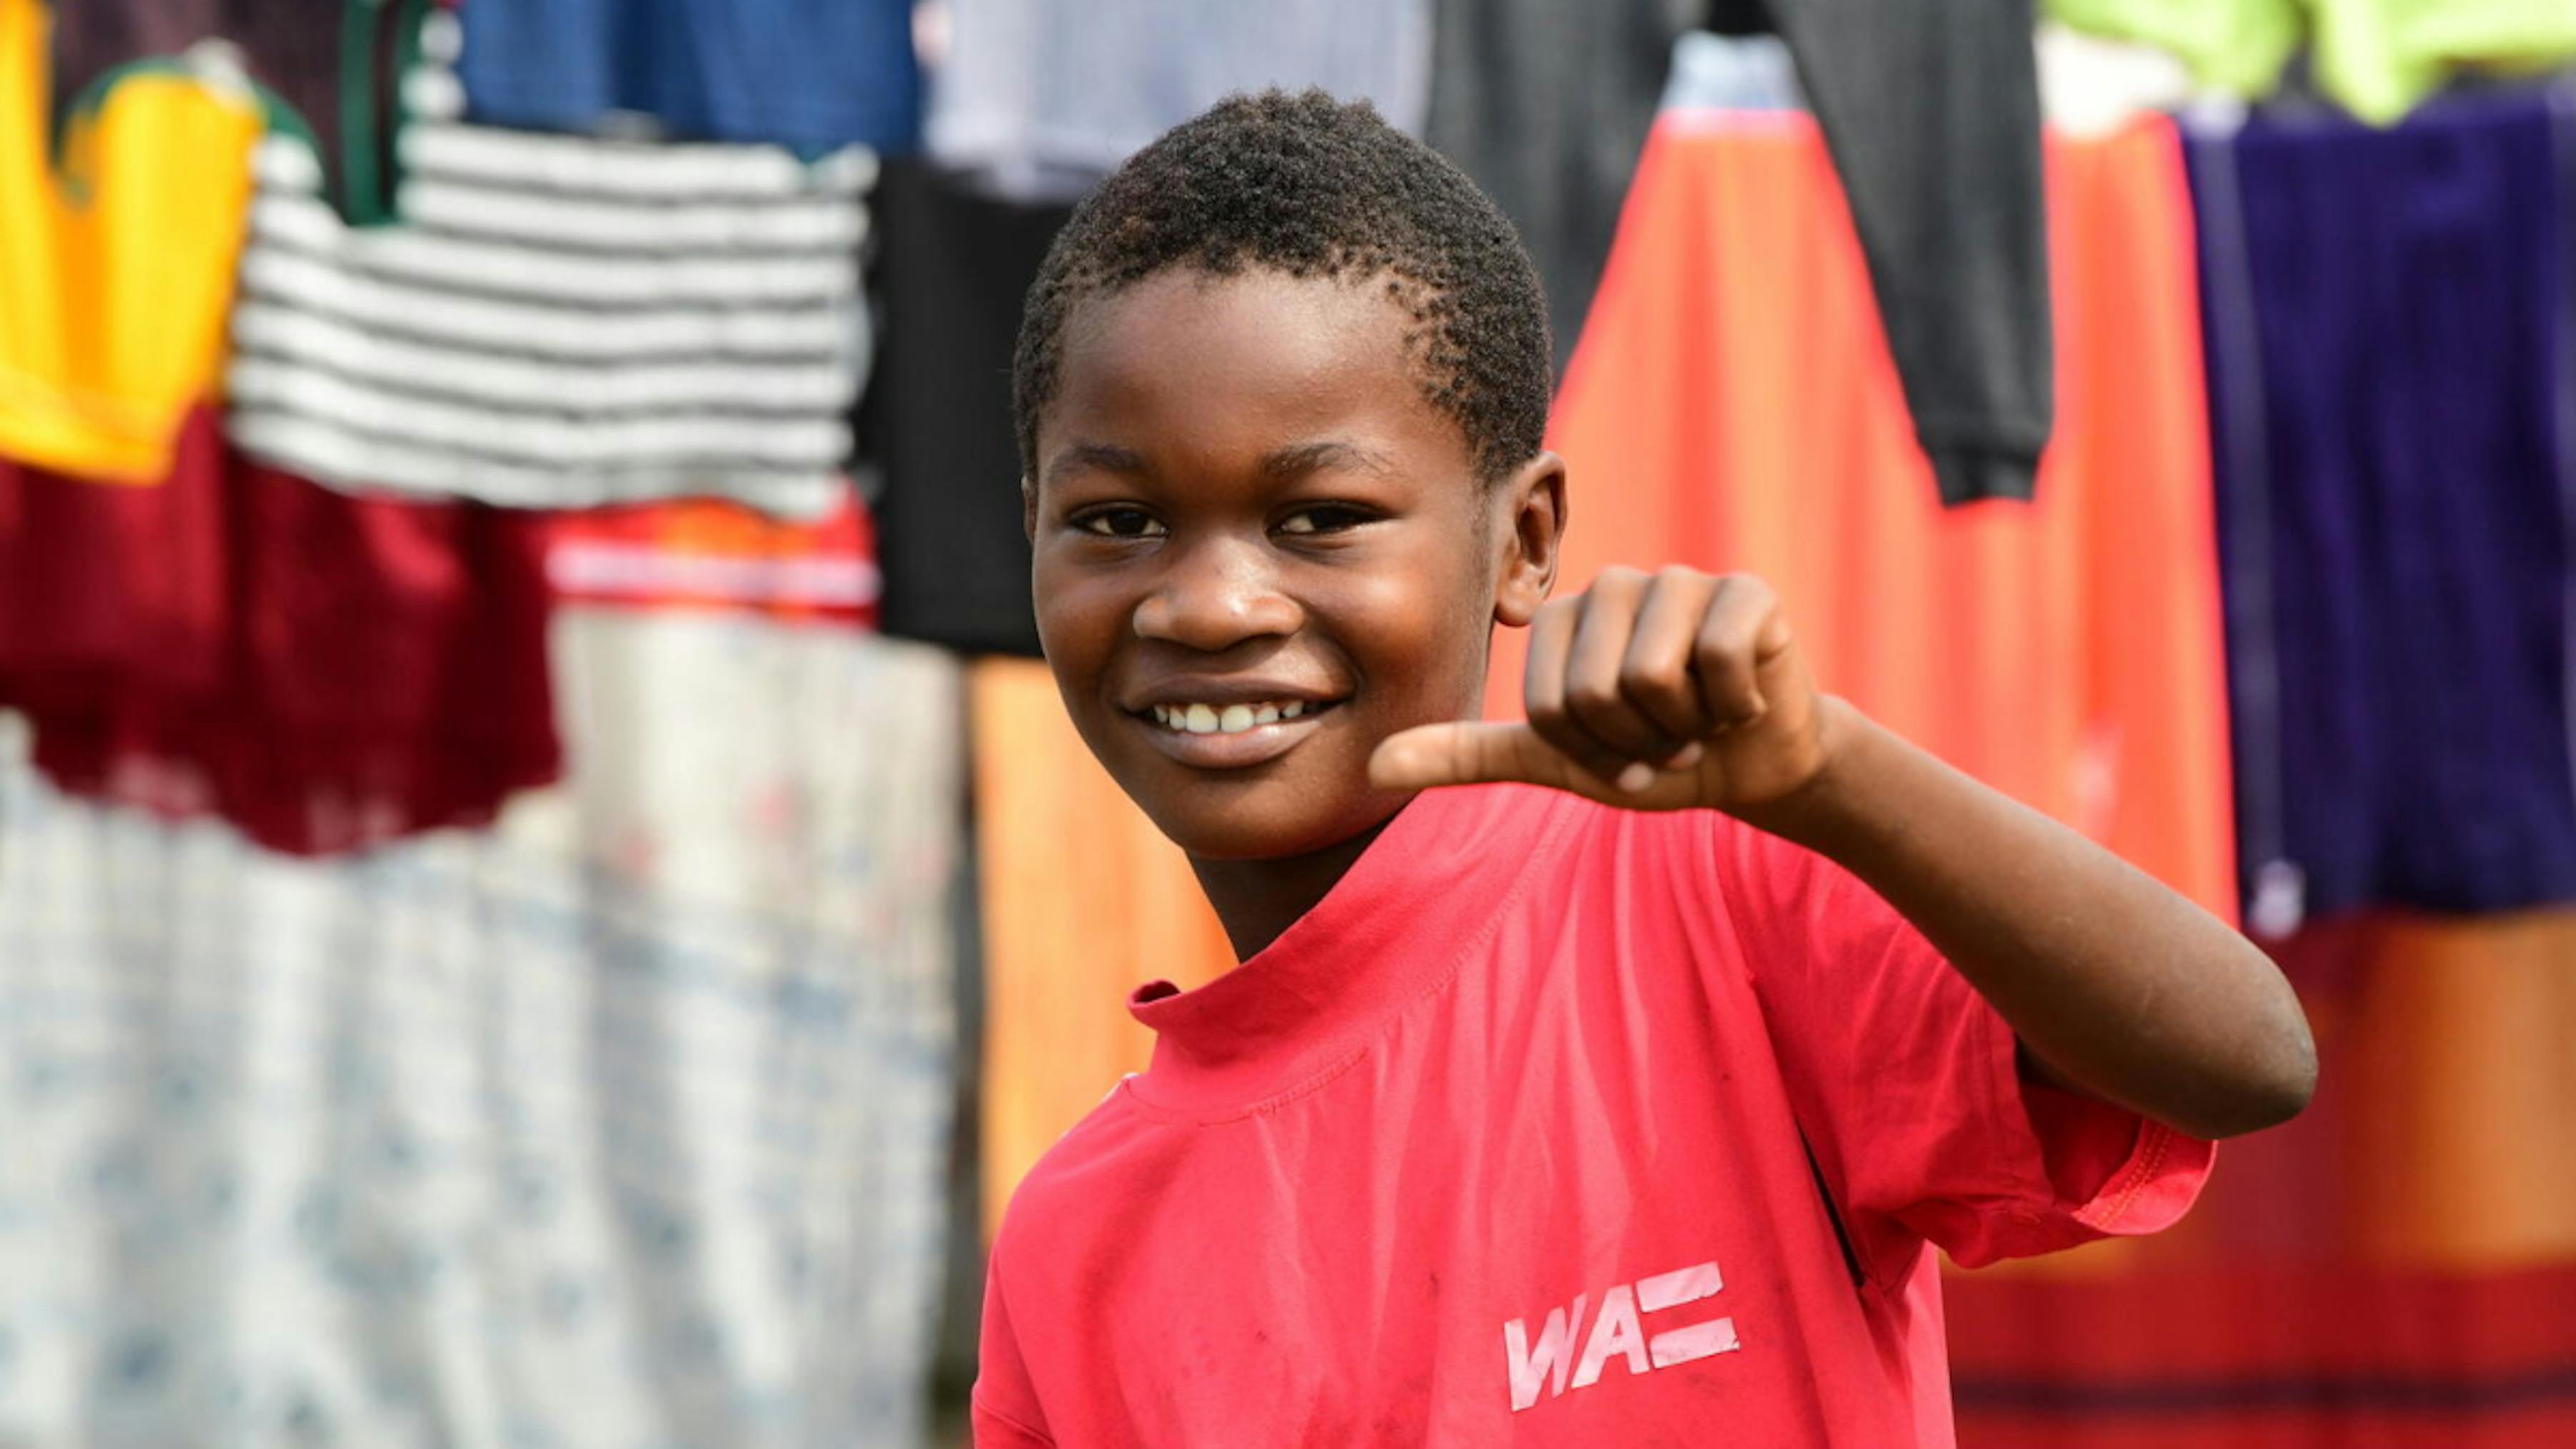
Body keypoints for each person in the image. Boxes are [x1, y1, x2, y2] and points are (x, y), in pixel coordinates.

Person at [973, 89, 2314, 1446]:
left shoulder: (1710, 902)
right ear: (1032, 529)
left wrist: (1830, 777)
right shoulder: (1074, 1246)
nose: (1208, 606)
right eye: (1119, 519)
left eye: (1320, 517)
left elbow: (2244, 1059)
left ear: (1525, 539)